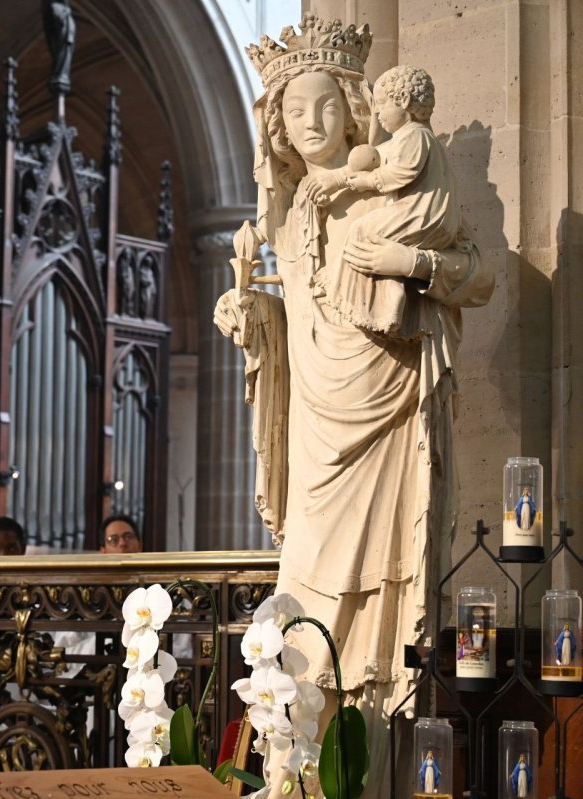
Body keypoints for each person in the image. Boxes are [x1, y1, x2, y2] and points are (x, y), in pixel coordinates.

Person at [222, 15, 492, 797]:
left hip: (389, 410)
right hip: (317, 431)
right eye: (294, 110)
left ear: (352, 106)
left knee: (377, 621)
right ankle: (296, 775)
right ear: (276, 124)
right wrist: (253, 320)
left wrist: (407, 262)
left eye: (324, 106)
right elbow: (294, 321)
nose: (310, 122)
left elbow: (476, 274)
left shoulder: (399, 187)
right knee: (302, 605)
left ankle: (362, 779)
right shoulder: (289, 213)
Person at [312, 65, 457, 339]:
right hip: (421, 215)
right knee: (371, 240)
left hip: (421, 213)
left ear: (403, 101)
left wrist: (368, 182)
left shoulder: (414, 136)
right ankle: (386, 309)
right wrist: (339, 179)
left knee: (362, 231)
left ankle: (346, 297)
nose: (376, 114)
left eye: (380, 105)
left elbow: (399, 170)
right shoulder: (408, 139)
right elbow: (375, 159)